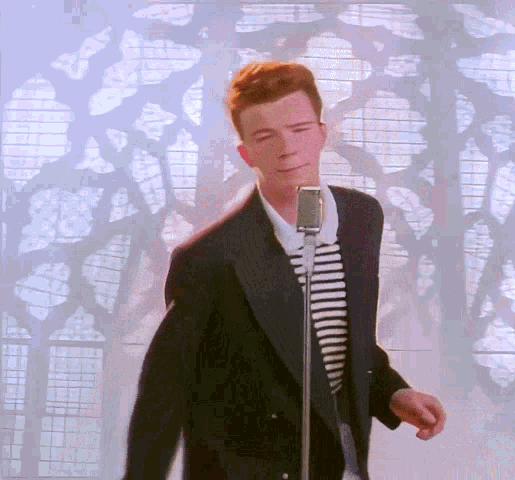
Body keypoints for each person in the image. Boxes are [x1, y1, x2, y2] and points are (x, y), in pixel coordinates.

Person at [123, 61, 446, 480]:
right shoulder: (208, 258)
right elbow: (163, 398)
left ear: (322, 134)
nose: (287, 148)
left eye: (299, 130)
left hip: (339, 464)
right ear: (246, 153)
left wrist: (394, 393)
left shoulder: (361, 218)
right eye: (265, 137)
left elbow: (345, 345)